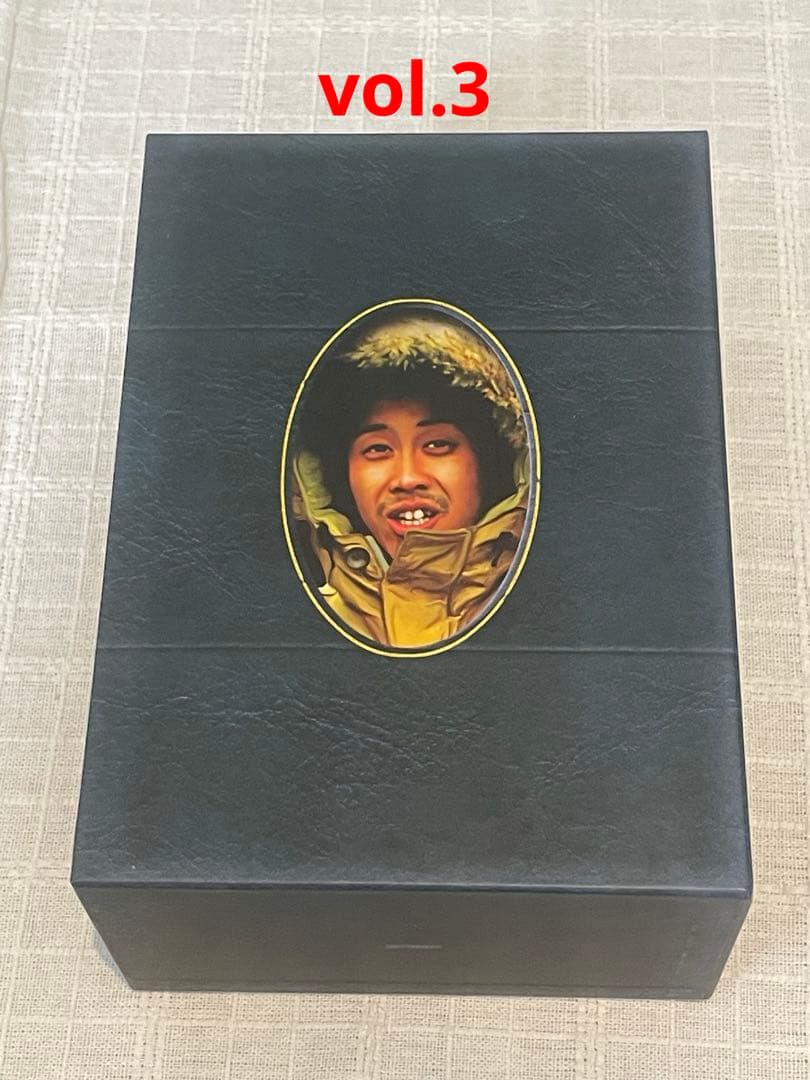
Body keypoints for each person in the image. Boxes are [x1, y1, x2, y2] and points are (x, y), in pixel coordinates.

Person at [290, 312, 530, 649]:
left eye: (437, 445)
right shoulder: (292, 615)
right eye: (377, 449)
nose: (407, 478)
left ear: (490, 459)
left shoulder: (544, 605)